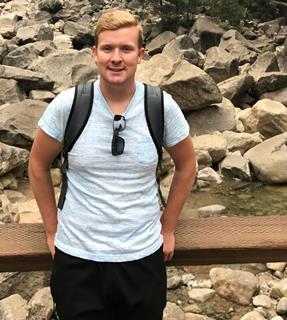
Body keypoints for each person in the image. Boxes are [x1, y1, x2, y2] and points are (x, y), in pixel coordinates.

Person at [29, 9, 196, 320]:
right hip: (77, 260)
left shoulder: (160, 106)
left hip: (143, 258)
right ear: (94, 53)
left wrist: (169, 227)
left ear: (141, 54)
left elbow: (187, 165)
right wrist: (52, 229)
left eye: (126, 49)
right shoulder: (69, 106)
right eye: (107, 48)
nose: (116, 58)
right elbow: (37, 164)